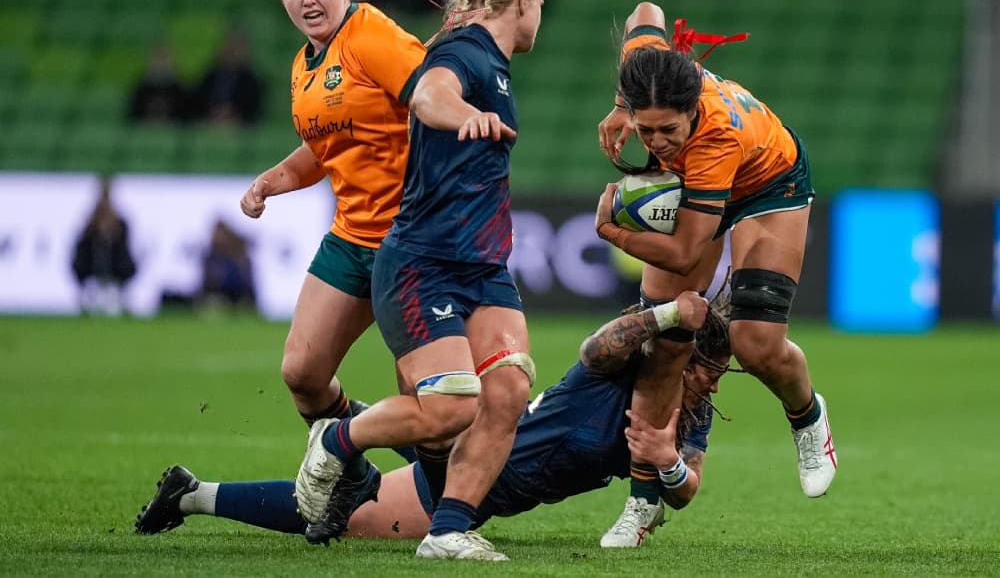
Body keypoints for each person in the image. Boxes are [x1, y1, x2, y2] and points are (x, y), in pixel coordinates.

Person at [292, 0, 545, 560]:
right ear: (521, 2)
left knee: (509, 390)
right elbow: (429, 93)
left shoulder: (494, 61)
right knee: (451, 406)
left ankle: (448, 531)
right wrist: (465, 115)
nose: (541, 15)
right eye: (540, 4)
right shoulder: (464, 53)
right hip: (421, 263)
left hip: (482, 266)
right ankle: (337, 441)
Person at [136, 291, 727, 546]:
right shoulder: (619, 373)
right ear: (680, 354)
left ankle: (346, 431)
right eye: (702, 366)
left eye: (719, 373)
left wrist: (669, 465)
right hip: (477, 471)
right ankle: (192, 495)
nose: (708, 382)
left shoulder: (685, 416)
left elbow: (687, 488)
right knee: (350, 519)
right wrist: (666, 314)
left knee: (387, 459)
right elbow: (596, 344)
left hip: (488, 478)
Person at [594, 1, 837, 546]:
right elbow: (645, 11)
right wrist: (619, 106)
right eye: (644, 128)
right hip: (700, 184)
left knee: (756, 344)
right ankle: (642, 502)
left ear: (690, 112)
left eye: (666, 130)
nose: (653, 143)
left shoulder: (712, 138)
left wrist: (610, 230)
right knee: (664, 340)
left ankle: (806, 417)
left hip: (768, 184)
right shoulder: (649, 68)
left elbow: (682, 253)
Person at [237, 0, 426, 503]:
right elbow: (324, 148)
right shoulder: (304, 66)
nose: (306, 0)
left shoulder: (372, 36)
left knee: (427, 397)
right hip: (351, 237)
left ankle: (449, 483)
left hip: (410, 241)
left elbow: (434, 95)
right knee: (302, 374)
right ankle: (356, 474)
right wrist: (273, 180)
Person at [72, 178, 137, 316]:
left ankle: (117, 297)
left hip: (116, 268)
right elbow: (83, 249)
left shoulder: (121, 223)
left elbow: (124, 251)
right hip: (91, 267)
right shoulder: (90, 224)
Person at [194, 30, 265, 128]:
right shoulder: (210, 76)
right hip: (210, 124)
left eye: (236, 48)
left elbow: (254, 108)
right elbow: (198, 101)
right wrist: (214, 113)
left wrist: (233, 114)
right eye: (229, 46)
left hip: (238, 127)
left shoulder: (251, 81)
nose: (232, 51)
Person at [126, 44, 191, 125]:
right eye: (158, 58)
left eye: (164, 59)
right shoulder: (142, 88)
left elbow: (186, 117)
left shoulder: (179, 89)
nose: (161, 63)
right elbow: (132, 116)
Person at [199, 219, 255, 310]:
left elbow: (247, 283)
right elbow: (206, 284)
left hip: (240, 296)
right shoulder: (211, 257)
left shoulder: (239, 255)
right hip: (218, 297)